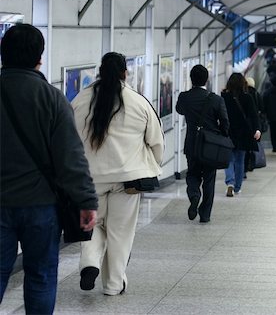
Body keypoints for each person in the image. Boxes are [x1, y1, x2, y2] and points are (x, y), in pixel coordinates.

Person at [0, 24, 98, 314]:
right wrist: (86, 201)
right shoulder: (53, 99)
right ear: (39, 59)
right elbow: (71, 158)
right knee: (41, 277)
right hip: (41, 206)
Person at [72, 52, 164, 296]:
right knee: (120, 232)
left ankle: (89, 263)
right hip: (128, 179)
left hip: (90, 178)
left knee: (94, 224)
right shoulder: (137, 101)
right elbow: (156, 141)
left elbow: (68, 137)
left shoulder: (81, 99)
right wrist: (153, 164)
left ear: (100, 71)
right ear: (125, 72)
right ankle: (113, 284)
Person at [176, 64, 229, 221]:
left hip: (192, 143)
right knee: (209, 179)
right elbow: (225, 122)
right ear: (207, 79)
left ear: (191, 79)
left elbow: (179, 110)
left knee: (192, 174)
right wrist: (222, 135)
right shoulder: (216, 99)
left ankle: (194, 195)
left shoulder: (184, 97)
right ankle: (205, 214)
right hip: (210, 146)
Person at [221, 73, 261, 196]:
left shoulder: (224, 97)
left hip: (228, 132)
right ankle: (237, 187)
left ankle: (230, 183)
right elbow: (254, 115)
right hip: (243, 134)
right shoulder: (247, 97)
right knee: (240, 160)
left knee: (229, 159)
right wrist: (257, 130)